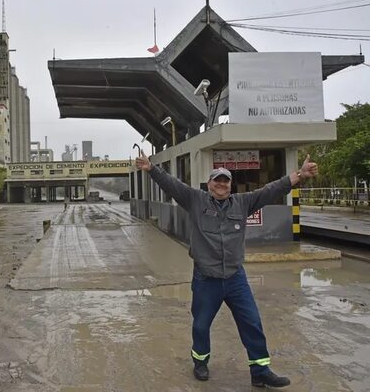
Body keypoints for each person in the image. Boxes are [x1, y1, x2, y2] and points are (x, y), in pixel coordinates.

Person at [135, 152, 318, 388]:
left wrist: (299, 176)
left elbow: (270, 191)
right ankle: (200, 362)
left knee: (252, 322)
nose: (221, 184)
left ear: (230, 186)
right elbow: (172, 185)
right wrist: (151, 168)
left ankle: (260, 370)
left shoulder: (242, 203)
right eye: (217, 180)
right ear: (209, 184)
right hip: (206, 278)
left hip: (235, 278)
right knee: (201, 325)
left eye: (225, 181)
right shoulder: (195, 200)